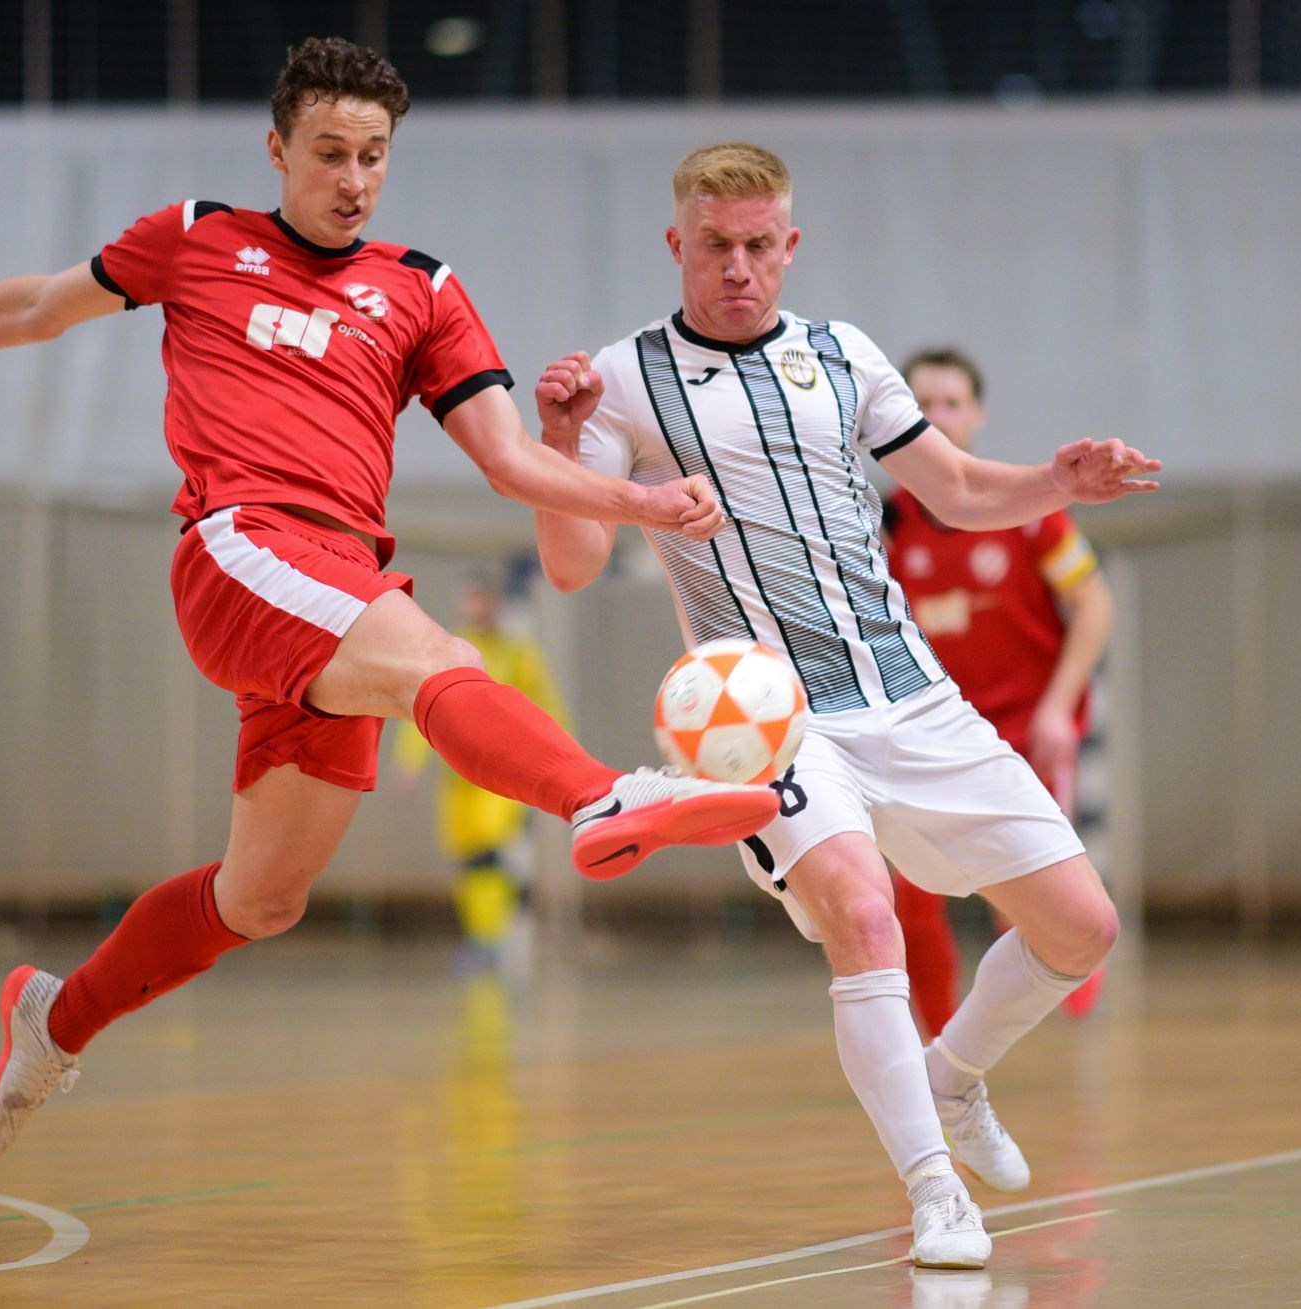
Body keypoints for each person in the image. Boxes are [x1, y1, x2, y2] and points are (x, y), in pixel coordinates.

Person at [0, 38, 781, 1159]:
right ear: (276, 150)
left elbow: (509, 459)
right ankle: (602, 796)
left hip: (338, 586)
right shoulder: (195, 238)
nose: (353, 178)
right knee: (437, 662)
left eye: (373, 155)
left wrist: (641, 501)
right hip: (242, 548)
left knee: (262, 898)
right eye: (329, 153)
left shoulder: (422, 289)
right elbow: (35, 307)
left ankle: (53, 1016)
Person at [529, 143, 1159, 1269]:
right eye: (714, 246)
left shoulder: (844, 355)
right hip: (773, 720)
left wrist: (1058, 481)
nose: (737, 267)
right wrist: (563, 441)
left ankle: (952, 1077)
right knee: (866, 920)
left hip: (910, 693)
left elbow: (955, 489)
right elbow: (573, 566)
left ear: (790, 244)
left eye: (757, 245)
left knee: (1082, 927)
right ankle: (935, 1194)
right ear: (676, 244)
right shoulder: (624, 378)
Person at [886, 349, 1113, 1035]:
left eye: (951, 403)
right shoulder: (885, 524)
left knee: (1021, 899)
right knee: (909, 894)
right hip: (933, 732)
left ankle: (1057, 970)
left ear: (977, 414)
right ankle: (939, 1047)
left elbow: (1095, 604)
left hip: (1024, 728)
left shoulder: (1030, 509)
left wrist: (1057, 709)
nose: (937, 417)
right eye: (922, 404)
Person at [391, 574, 569, 969]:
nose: (476, 608)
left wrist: (563, 757)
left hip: (501, 779)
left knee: (490, 852)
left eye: (483, 600)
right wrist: (408, 763)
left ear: (495, 605)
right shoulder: (446, 649)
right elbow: (423, 707)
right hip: (458, 780)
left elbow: (545, 704)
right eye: (470, 600)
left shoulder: (517, 655)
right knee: (468, 860)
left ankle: (494, 936)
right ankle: (481, 936)